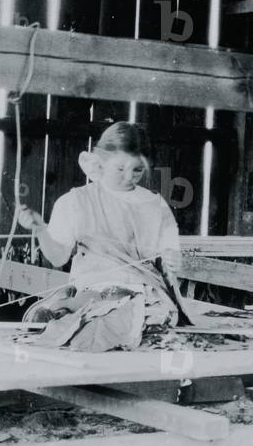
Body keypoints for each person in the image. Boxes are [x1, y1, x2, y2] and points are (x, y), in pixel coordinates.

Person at [16, 122, 183, 345]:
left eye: (137, 170)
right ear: (101, 163)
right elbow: (58, 258)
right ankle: (67, 309)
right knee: (102, 305)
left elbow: (171, 255)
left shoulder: (154, 204)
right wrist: (40, 229)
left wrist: (172, 259)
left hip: (141, 289)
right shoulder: (75, 201)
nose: (128, 177)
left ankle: (69, 312)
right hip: (92, 284)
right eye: (120, 168)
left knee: (147, 314)